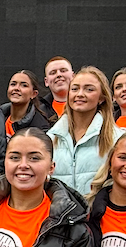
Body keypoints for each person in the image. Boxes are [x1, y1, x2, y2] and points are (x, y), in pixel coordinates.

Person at [47, 66, 117, 195]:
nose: (80, 94)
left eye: (89, 89)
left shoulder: (117, 138)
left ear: (102, 98)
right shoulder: (50, 138)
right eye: (74, 89)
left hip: (99, 212)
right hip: (60, 213)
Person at [1, 70, 54, 137]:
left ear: (34, 94)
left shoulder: (40, 127)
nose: (16, 88)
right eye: (13, 84)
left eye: (24, 85)